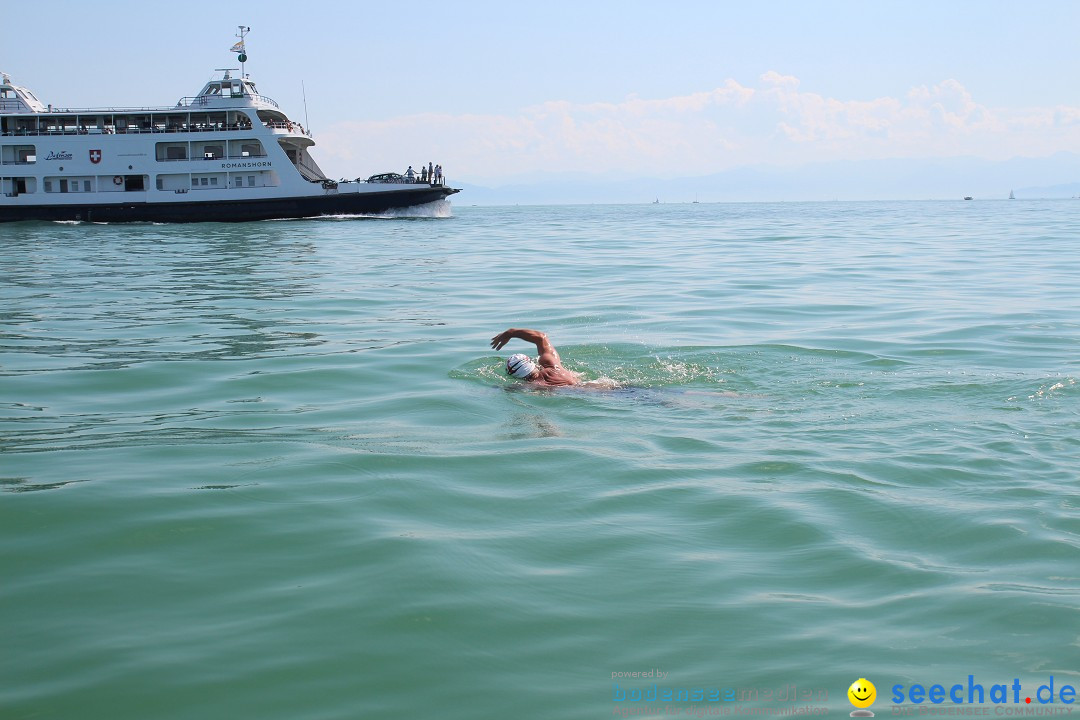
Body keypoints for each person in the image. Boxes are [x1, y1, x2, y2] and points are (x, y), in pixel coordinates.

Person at [491, 328, 580, 387]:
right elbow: (541, 337)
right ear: (532, 364)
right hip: (589, 386)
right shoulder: (551, 364)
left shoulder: (531, 386)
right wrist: (511, 332)